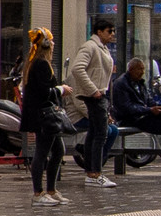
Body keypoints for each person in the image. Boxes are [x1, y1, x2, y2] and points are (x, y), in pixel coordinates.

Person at [67, 18, 120, 189]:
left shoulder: (102, 48)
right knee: (100, 134)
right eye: (109, 31)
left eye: (113, 31)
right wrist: (93, 90)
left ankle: (92, 171)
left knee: (95, 133)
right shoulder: (90, 46)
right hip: (94, 96)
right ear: (99, 32)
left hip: (99, 95)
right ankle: (95, 173)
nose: (112, 34)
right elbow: (77, 68)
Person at [110, 58, 161, 175]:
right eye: (139, 69)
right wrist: (149, 110)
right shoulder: (121, 84)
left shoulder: (140, 82)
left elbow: (148, 100)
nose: (142, 72)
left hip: (143, 115)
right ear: (131, 69)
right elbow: (126, 108)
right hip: (131, 119)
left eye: (143, 69)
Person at [20, 28, 69, 206]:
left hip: (41, 114)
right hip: (43, 115)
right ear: (46, 44)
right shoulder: (41, 64)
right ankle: (38, 192)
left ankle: (51, 189)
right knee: (42, 152)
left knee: (58, 150)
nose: (54, 44)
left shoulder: (34, 63)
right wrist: (61, 89)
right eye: (52, 40)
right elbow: (43, 92)